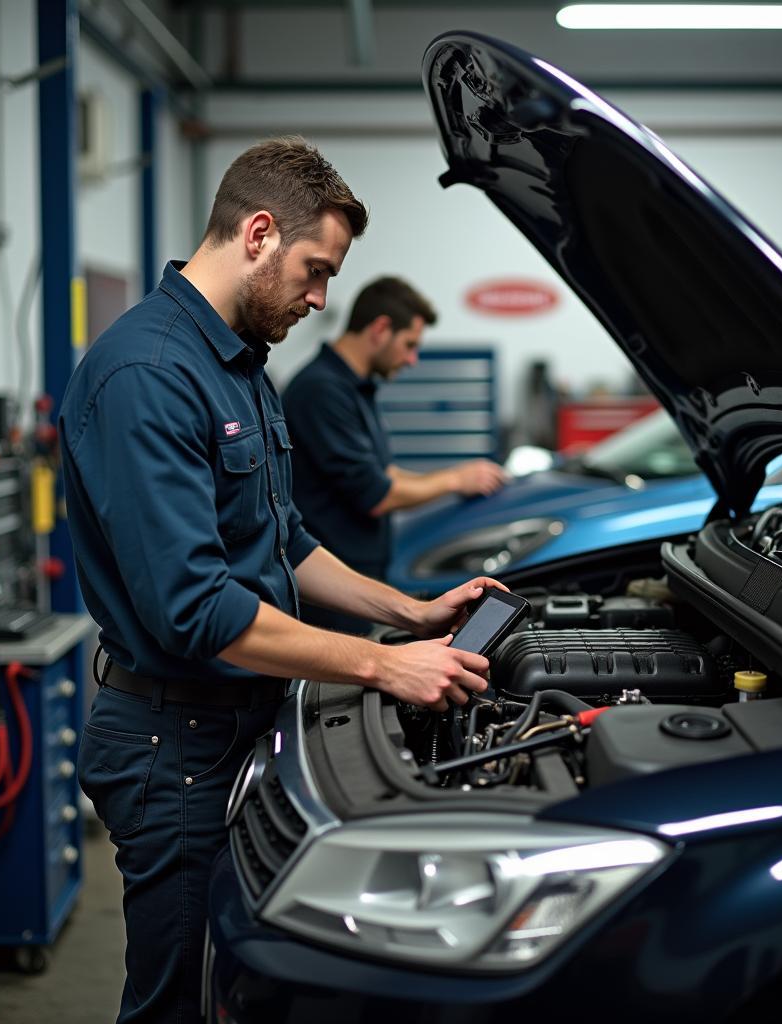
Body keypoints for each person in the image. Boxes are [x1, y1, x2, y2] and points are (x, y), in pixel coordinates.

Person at [59, 137, 502, 1024]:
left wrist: (408, 612)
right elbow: (197, 610)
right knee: (175, 1003)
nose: (320, 298)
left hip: (233, 724)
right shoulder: (149, 375)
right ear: (258, 233)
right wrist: (382, 666)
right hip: (171, 744)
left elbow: (286, 540)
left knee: (236, 988)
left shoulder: (240, 364)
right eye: (315, 270)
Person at [282, 277, 508, 631]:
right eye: (409, 345)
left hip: (358, 580)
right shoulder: (321, 391)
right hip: (330, 591)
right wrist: (455, 480)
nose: (412, 360)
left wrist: (460, 478)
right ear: (381, 328)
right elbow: (377, 495)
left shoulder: (356, 388)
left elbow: (383, 472)